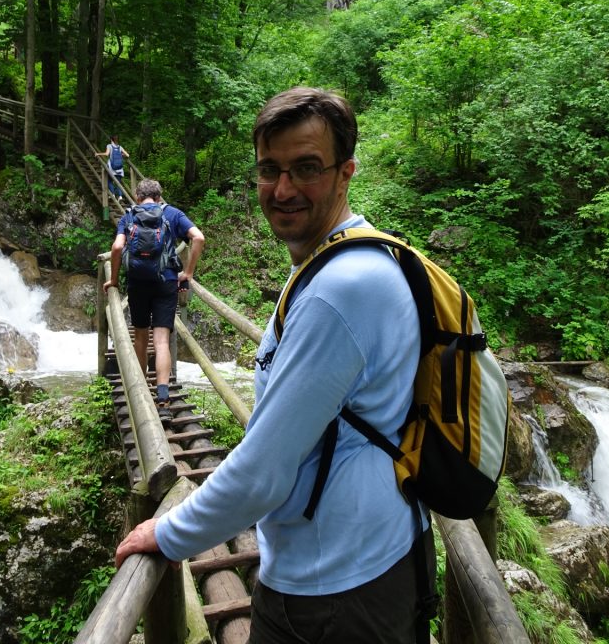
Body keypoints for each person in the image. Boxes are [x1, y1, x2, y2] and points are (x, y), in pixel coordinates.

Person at [114, 88, 429, 644]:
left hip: (337, 588)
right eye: (270, 170)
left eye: (306, 168)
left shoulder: (339, 289)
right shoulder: (340, 257)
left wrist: (168, 533)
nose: (283, 189)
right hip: (361, 556)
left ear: (344, 173)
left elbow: (263, 470)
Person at [103, 178, 205, 419]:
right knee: (161, 342)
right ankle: (163, 400)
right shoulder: (172, 213)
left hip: (138, 283)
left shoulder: (129, 215)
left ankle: (142, 395)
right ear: (159, 196)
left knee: (140, 337)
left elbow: (117, 248)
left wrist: (114, 280)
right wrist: (187, 273)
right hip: (166, 282)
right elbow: (198, 238)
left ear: (138, 197)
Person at [96, 134, 129, 199]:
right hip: (119, 168)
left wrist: (98, 154)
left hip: (112, 168)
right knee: (118, 182)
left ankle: (113, 194)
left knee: (109, 180)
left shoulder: (109, 146)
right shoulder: (120, 147)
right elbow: (127, 155)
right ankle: (120, 196)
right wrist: (121, 154)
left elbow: (106, 154)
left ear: (111, 140)